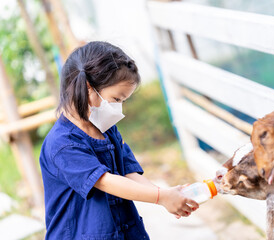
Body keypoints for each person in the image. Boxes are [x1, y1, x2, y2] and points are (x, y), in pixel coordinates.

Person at [39, 41, 199, 240]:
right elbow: (106, 182)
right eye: (116, 99)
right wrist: (161, 198)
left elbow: (128, 172)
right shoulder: (62, 144)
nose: (118, 108)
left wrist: (165, 194)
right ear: (89, 88)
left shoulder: (107, 129)